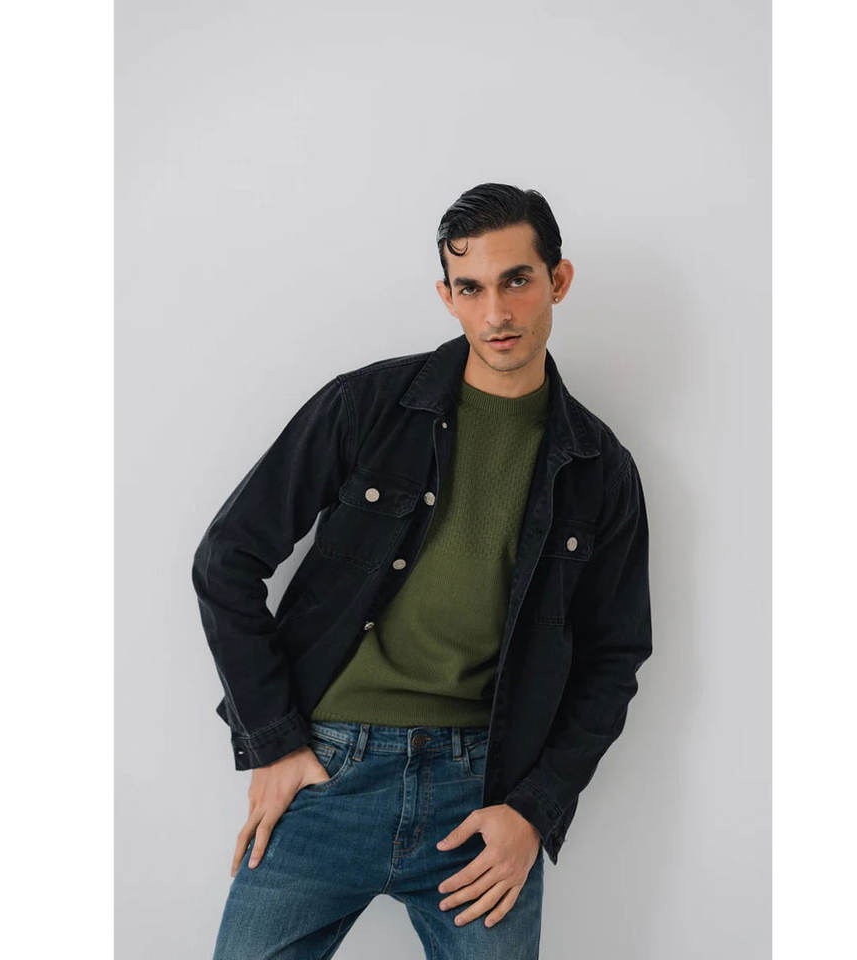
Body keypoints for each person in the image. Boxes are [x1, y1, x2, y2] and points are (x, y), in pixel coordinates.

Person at [191, 182, 653, 958]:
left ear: (558, 280)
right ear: (447, 296)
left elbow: (614, 656)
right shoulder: (367, 407)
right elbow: (227, 561)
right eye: (470, 288)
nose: (496, 312)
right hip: (329, 772)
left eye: (516, 280)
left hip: (481, 800)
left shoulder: (599, 468)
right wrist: (273, 741)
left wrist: (533, 810)